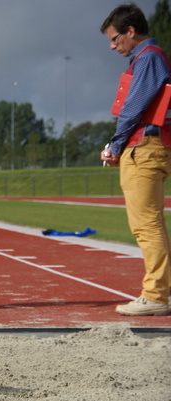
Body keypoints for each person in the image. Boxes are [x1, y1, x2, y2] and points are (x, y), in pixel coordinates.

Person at [101, 4, 171, 316]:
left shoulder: (148, 57)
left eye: (115, 38)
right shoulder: (146, 57)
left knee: (147, 224)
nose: (113, 46)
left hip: (144, 147)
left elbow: (135, 106)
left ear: (131, 32)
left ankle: (156, 295)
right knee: (149, 224)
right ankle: (160, 292)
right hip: (145, 145)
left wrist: (116, 145)